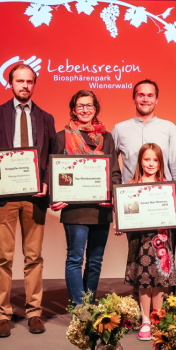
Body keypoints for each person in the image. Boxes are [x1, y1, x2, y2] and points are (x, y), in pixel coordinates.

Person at [0, 64, 55, 337]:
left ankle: (34, 312)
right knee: (3, 257)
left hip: (34, 198)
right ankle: (3, 314)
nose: (25, 85)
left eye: (29, 81)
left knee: (34, 257)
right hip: (4, 198)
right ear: (10, 83)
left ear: (34, 84)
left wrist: (46, 181)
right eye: (19, 81)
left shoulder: (46, 117)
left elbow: (49, 157)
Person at [49, 90, 122, 305]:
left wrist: (113, 198)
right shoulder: (62, 136)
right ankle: (78, 306)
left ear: (96, 109)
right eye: (80, 106)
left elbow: (114, 172)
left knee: (95, 261)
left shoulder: (107, 137)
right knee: (75, 258)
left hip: (101, 207)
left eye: (89, 106)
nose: (85, 110)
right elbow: (54, 171)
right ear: (73, 109)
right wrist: (55, 196)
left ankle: (89, 303)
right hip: (75, 209)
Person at [119, 143, 176, 341]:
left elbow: (174, 212)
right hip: (140, 239)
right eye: (147, 159)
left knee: (160, 279)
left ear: (160, 162)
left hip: (161, 238)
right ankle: (145, 319)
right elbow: (126, 213)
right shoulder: (131, 185)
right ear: (140, 161)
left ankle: (157, 318)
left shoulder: (166, 185)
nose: (151, 163)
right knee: (144, 279)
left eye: (155, 160)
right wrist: (120, 223)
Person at [112, 79, 176, 183]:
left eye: (150, 96)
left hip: (162, 194)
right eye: (141, 95)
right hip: (130, 194)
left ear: (156, 100)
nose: (145, 99)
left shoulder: (169, 128)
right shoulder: (119, 129)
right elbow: (111, 167)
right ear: (134, 99)